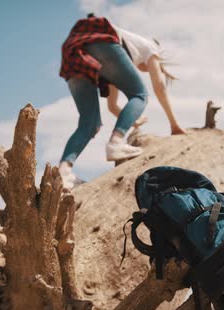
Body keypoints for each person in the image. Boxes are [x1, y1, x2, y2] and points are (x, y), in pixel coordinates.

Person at [58, 15, 185, 189]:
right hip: (101, 43)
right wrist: (174, 125)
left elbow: (112, 105)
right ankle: (116, 143)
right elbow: (160, 88)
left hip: (72, 50)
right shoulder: (150, 48)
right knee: (140, 94)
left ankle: (63, 172)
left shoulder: (117, 64)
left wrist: (131, 118)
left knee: (90, 123)